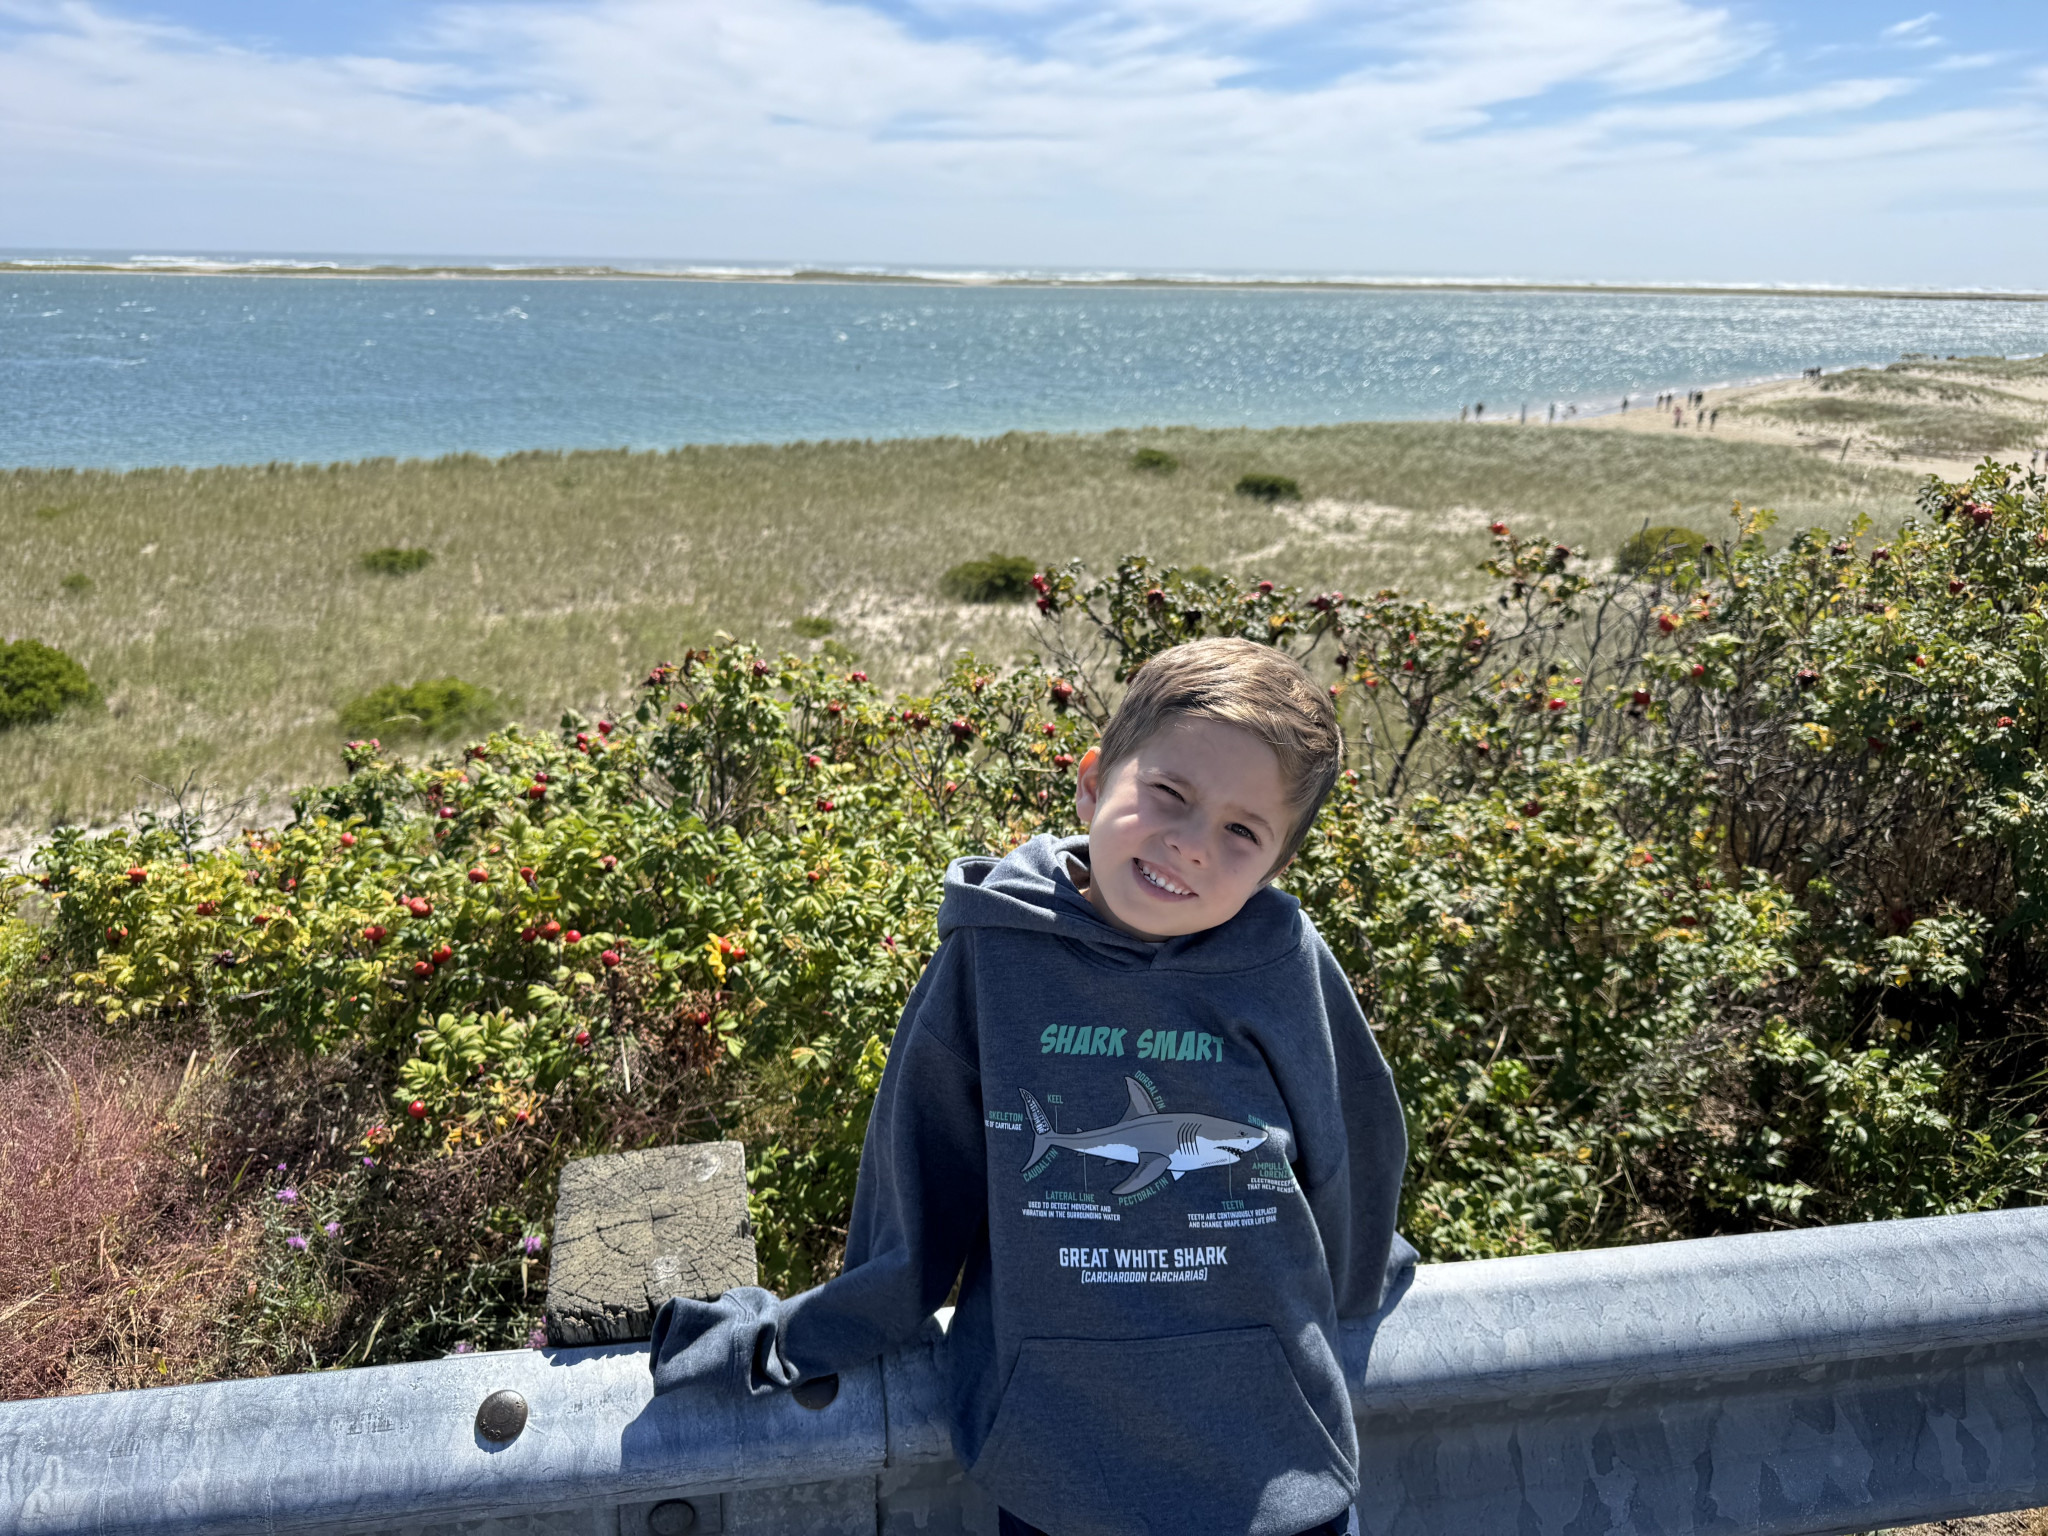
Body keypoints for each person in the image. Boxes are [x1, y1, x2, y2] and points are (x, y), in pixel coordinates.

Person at [649, 639, 1411, 1536]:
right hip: (1060, 1461)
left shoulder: (1280, 961)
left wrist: (1359, 1281)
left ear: (1276, 865)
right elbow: (920, 1185)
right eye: (1169, 793)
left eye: (1243, 833)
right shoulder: (993, 950)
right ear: (1092, 783)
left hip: (1276, 1461)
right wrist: (798, 1337)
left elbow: (1354, 1151)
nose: (1191, 844)